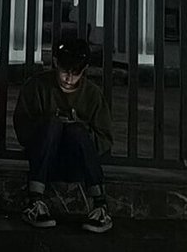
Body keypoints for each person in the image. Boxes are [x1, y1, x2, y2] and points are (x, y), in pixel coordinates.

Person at [13, 33, 114, 233]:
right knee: (52, 125)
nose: (69, 78)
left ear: (84, 70)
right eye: (65, 72)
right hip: (44, 159)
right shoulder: (37, 86)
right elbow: (22, 127)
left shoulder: (92, 94)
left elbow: (104, 138)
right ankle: (35, 201)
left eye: (75, 73)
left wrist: (79, 130)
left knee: (76, 130)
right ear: (56, 64)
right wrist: (47, 126)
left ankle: (100, 205)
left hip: (78, 162)